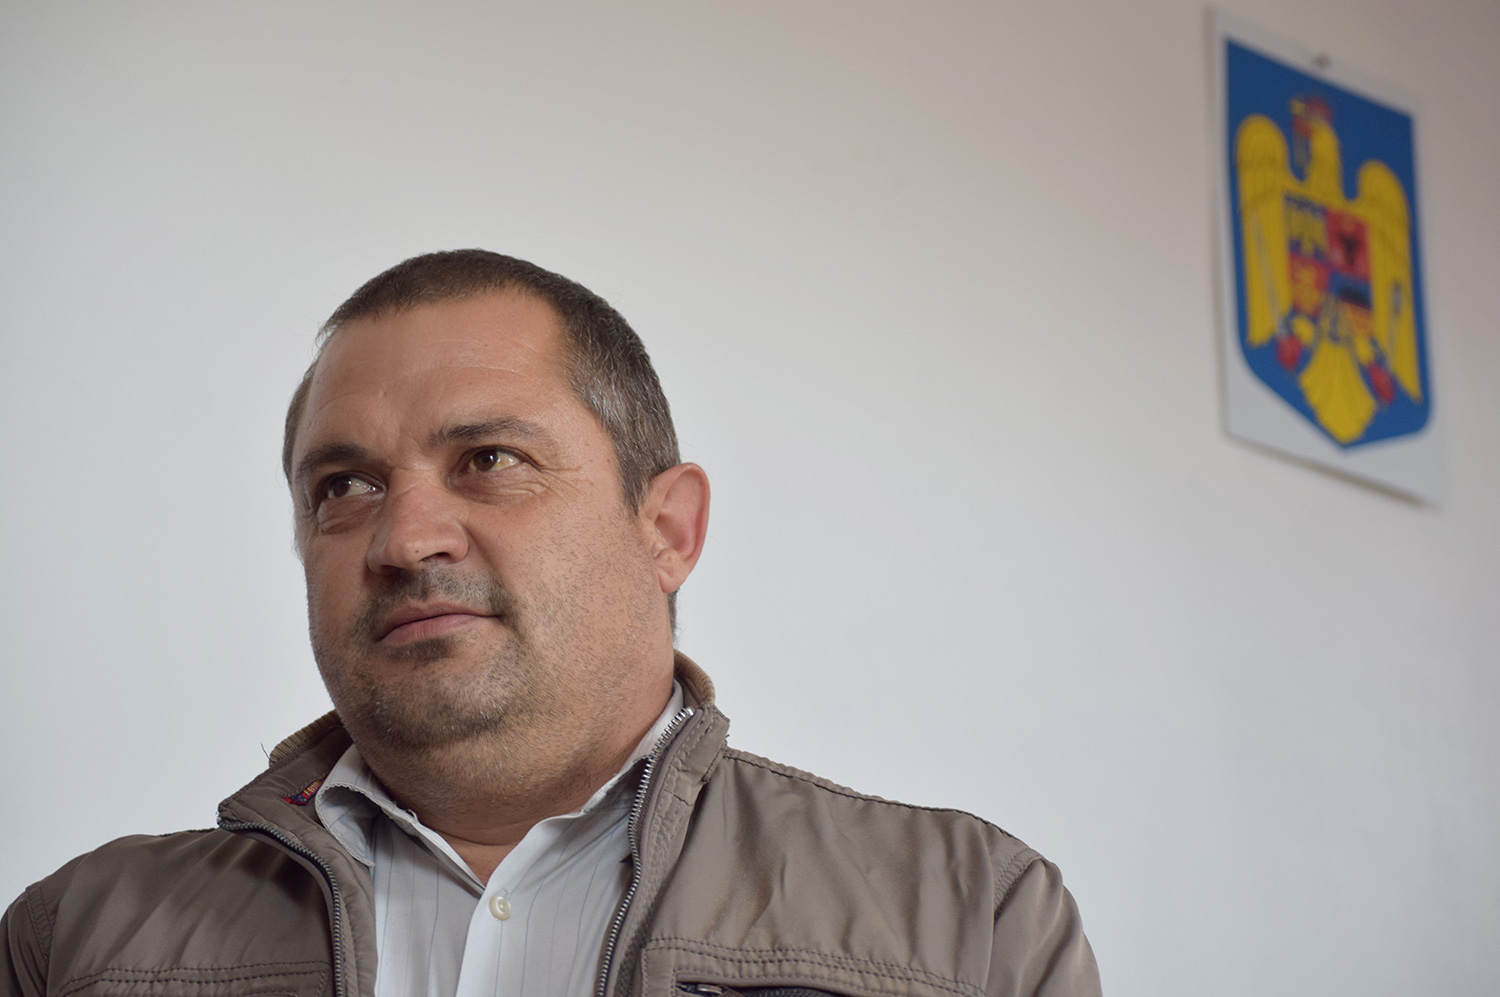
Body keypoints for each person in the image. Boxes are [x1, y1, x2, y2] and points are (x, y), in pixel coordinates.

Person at [1, 250, 1101, 997]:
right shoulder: (75, 944)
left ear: (667, 528)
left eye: (490, 459)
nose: (405, 538)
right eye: (345, 486)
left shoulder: (969, 923)